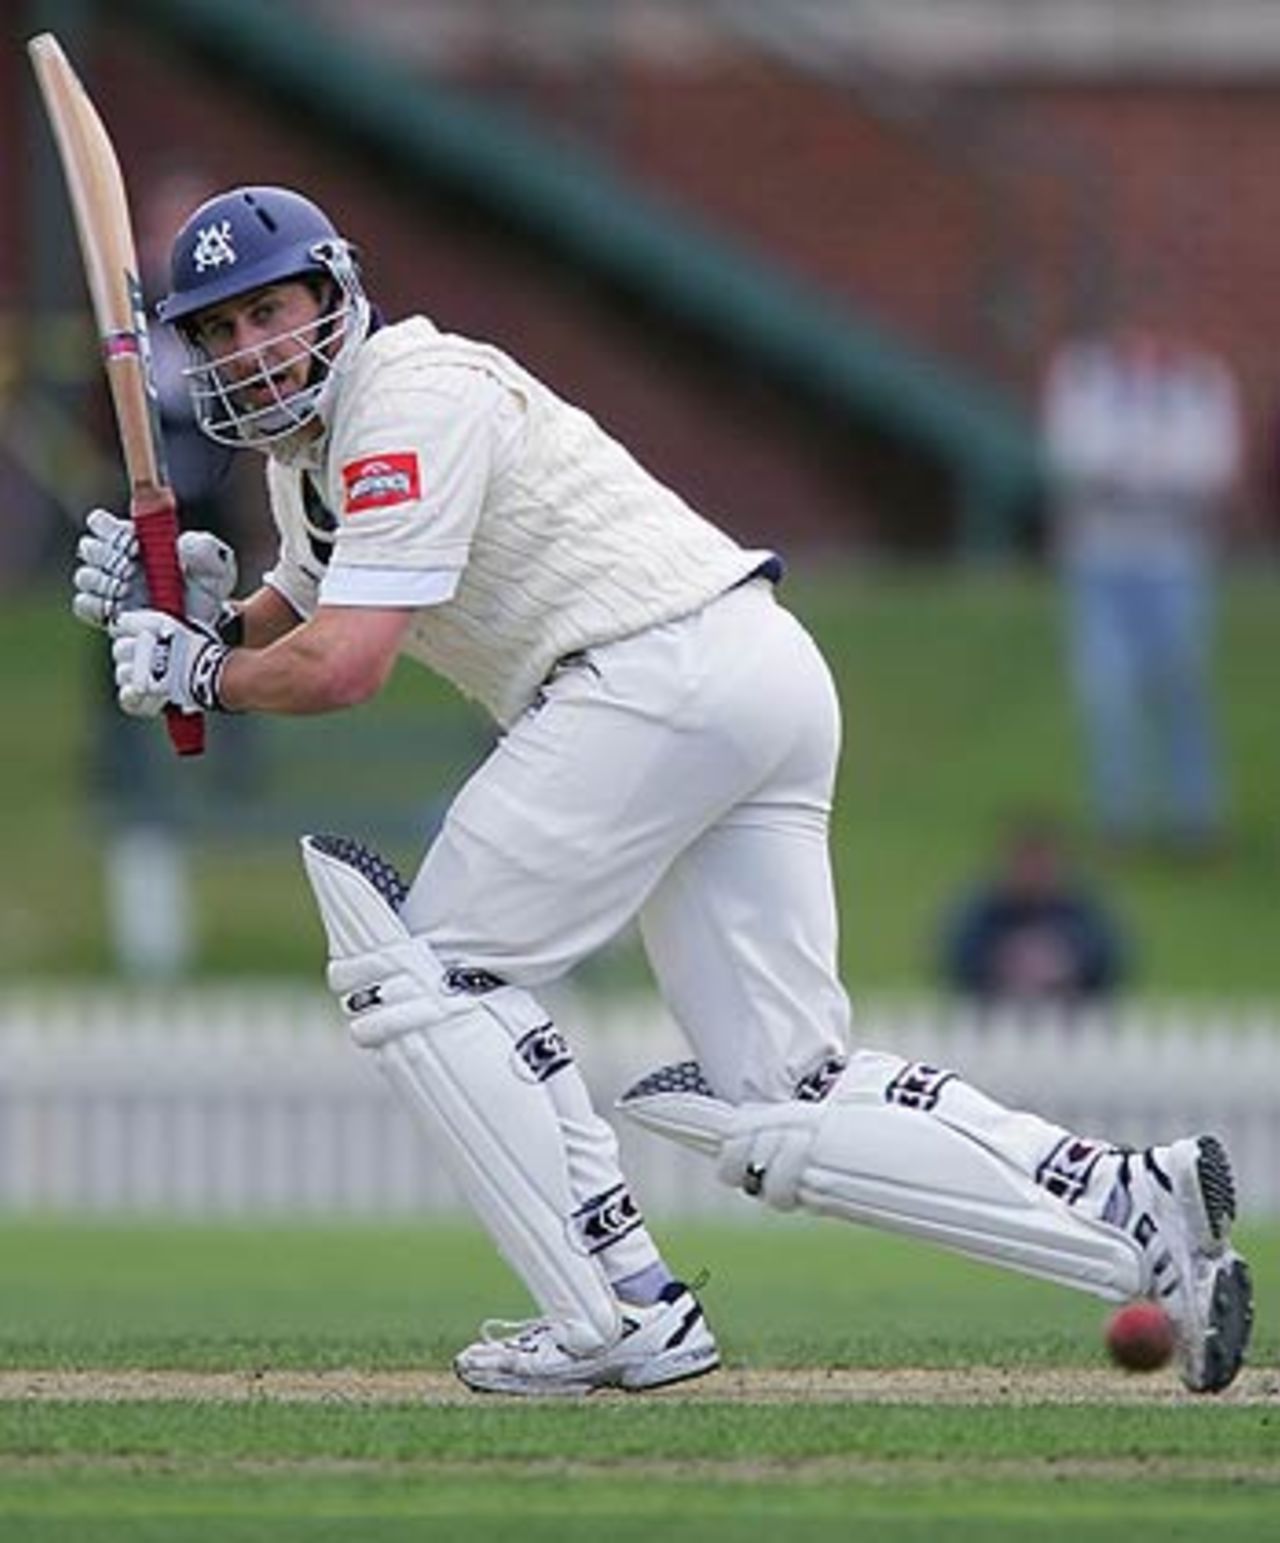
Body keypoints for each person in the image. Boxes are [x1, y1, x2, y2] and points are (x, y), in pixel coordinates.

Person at [71, 187, 1252, 1396]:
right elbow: (308, 604)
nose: (247, 348)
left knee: (421, 973)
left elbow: (344, 665)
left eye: (269, 311)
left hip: (648, 678)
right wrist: (202, 610)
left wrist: (205, 672)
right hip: (744, 674)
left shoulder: (410, 399)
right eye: (217, 331)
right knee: (782, 1099)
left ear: (333, 296)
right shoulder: (315, 459)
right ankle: (1125, 1203)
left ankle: (620, 1307)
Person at [1041, 325, 1242, 856]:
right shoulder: (1087, 382)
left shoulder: (1199, 387)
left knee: (1180, 685)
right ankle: (1119, 819)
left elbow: (1209, 468)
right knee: (1108, 691)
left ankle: (1195, 819)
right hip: (1101, 561)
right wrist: (1135, 472)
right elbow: (1074, 458)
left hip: (1174, 561)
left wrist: (1140, 475)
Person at [940, 817, 1128, 1007]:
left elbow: (1111, 956)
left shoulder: (1081, 907)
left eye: (1041, 862)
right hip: (992, 1017)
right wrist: (1003, 961)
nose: (1033, 871)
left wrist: (1067, 962)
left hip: (1073, 1019)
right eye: (1026, 862)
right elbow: (956, 955)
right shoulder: (985, 907)